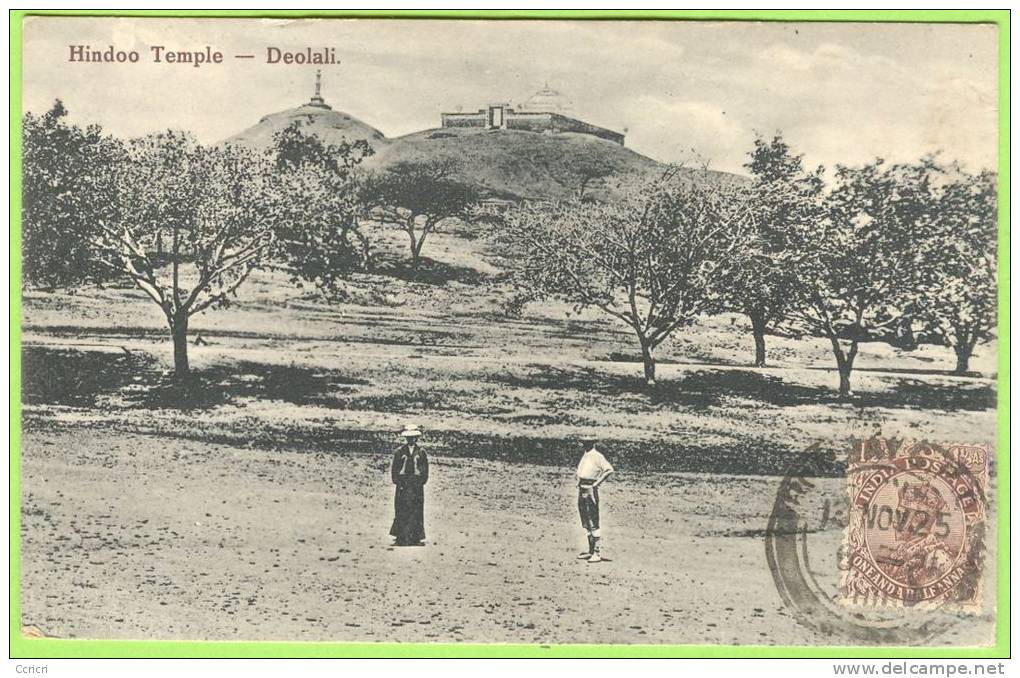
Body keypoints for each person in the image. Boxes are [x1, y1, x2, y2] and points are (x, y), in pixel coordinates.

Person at [575, 433, 614, 563]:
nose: (584, 444)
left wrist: (597, 483)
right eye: (583, 442)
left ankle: (597, 553)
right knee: (585, 519)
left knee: (592, 520)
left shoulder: (597, 456)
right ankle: (590, 551)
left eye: (587, 442)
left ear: (593, 443)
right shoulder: (586, 455)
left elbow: (609, 469)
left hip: (590, 489)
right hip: (582, 489)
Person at [389, 424, 429, 546]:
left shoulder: (421, 452)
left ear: (416, 438)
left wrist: (420, 480)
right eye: (409, 438)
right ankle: (401, 537)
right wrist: (398, 481)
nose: (411, 440)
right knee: (402, 509)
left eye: (413, 437)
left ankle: (415, 538)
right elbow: (394, 469)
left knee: (416, 510)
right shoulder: (399, 452)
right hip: (403, 484)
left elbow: (425, 470)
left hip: (416, 485)